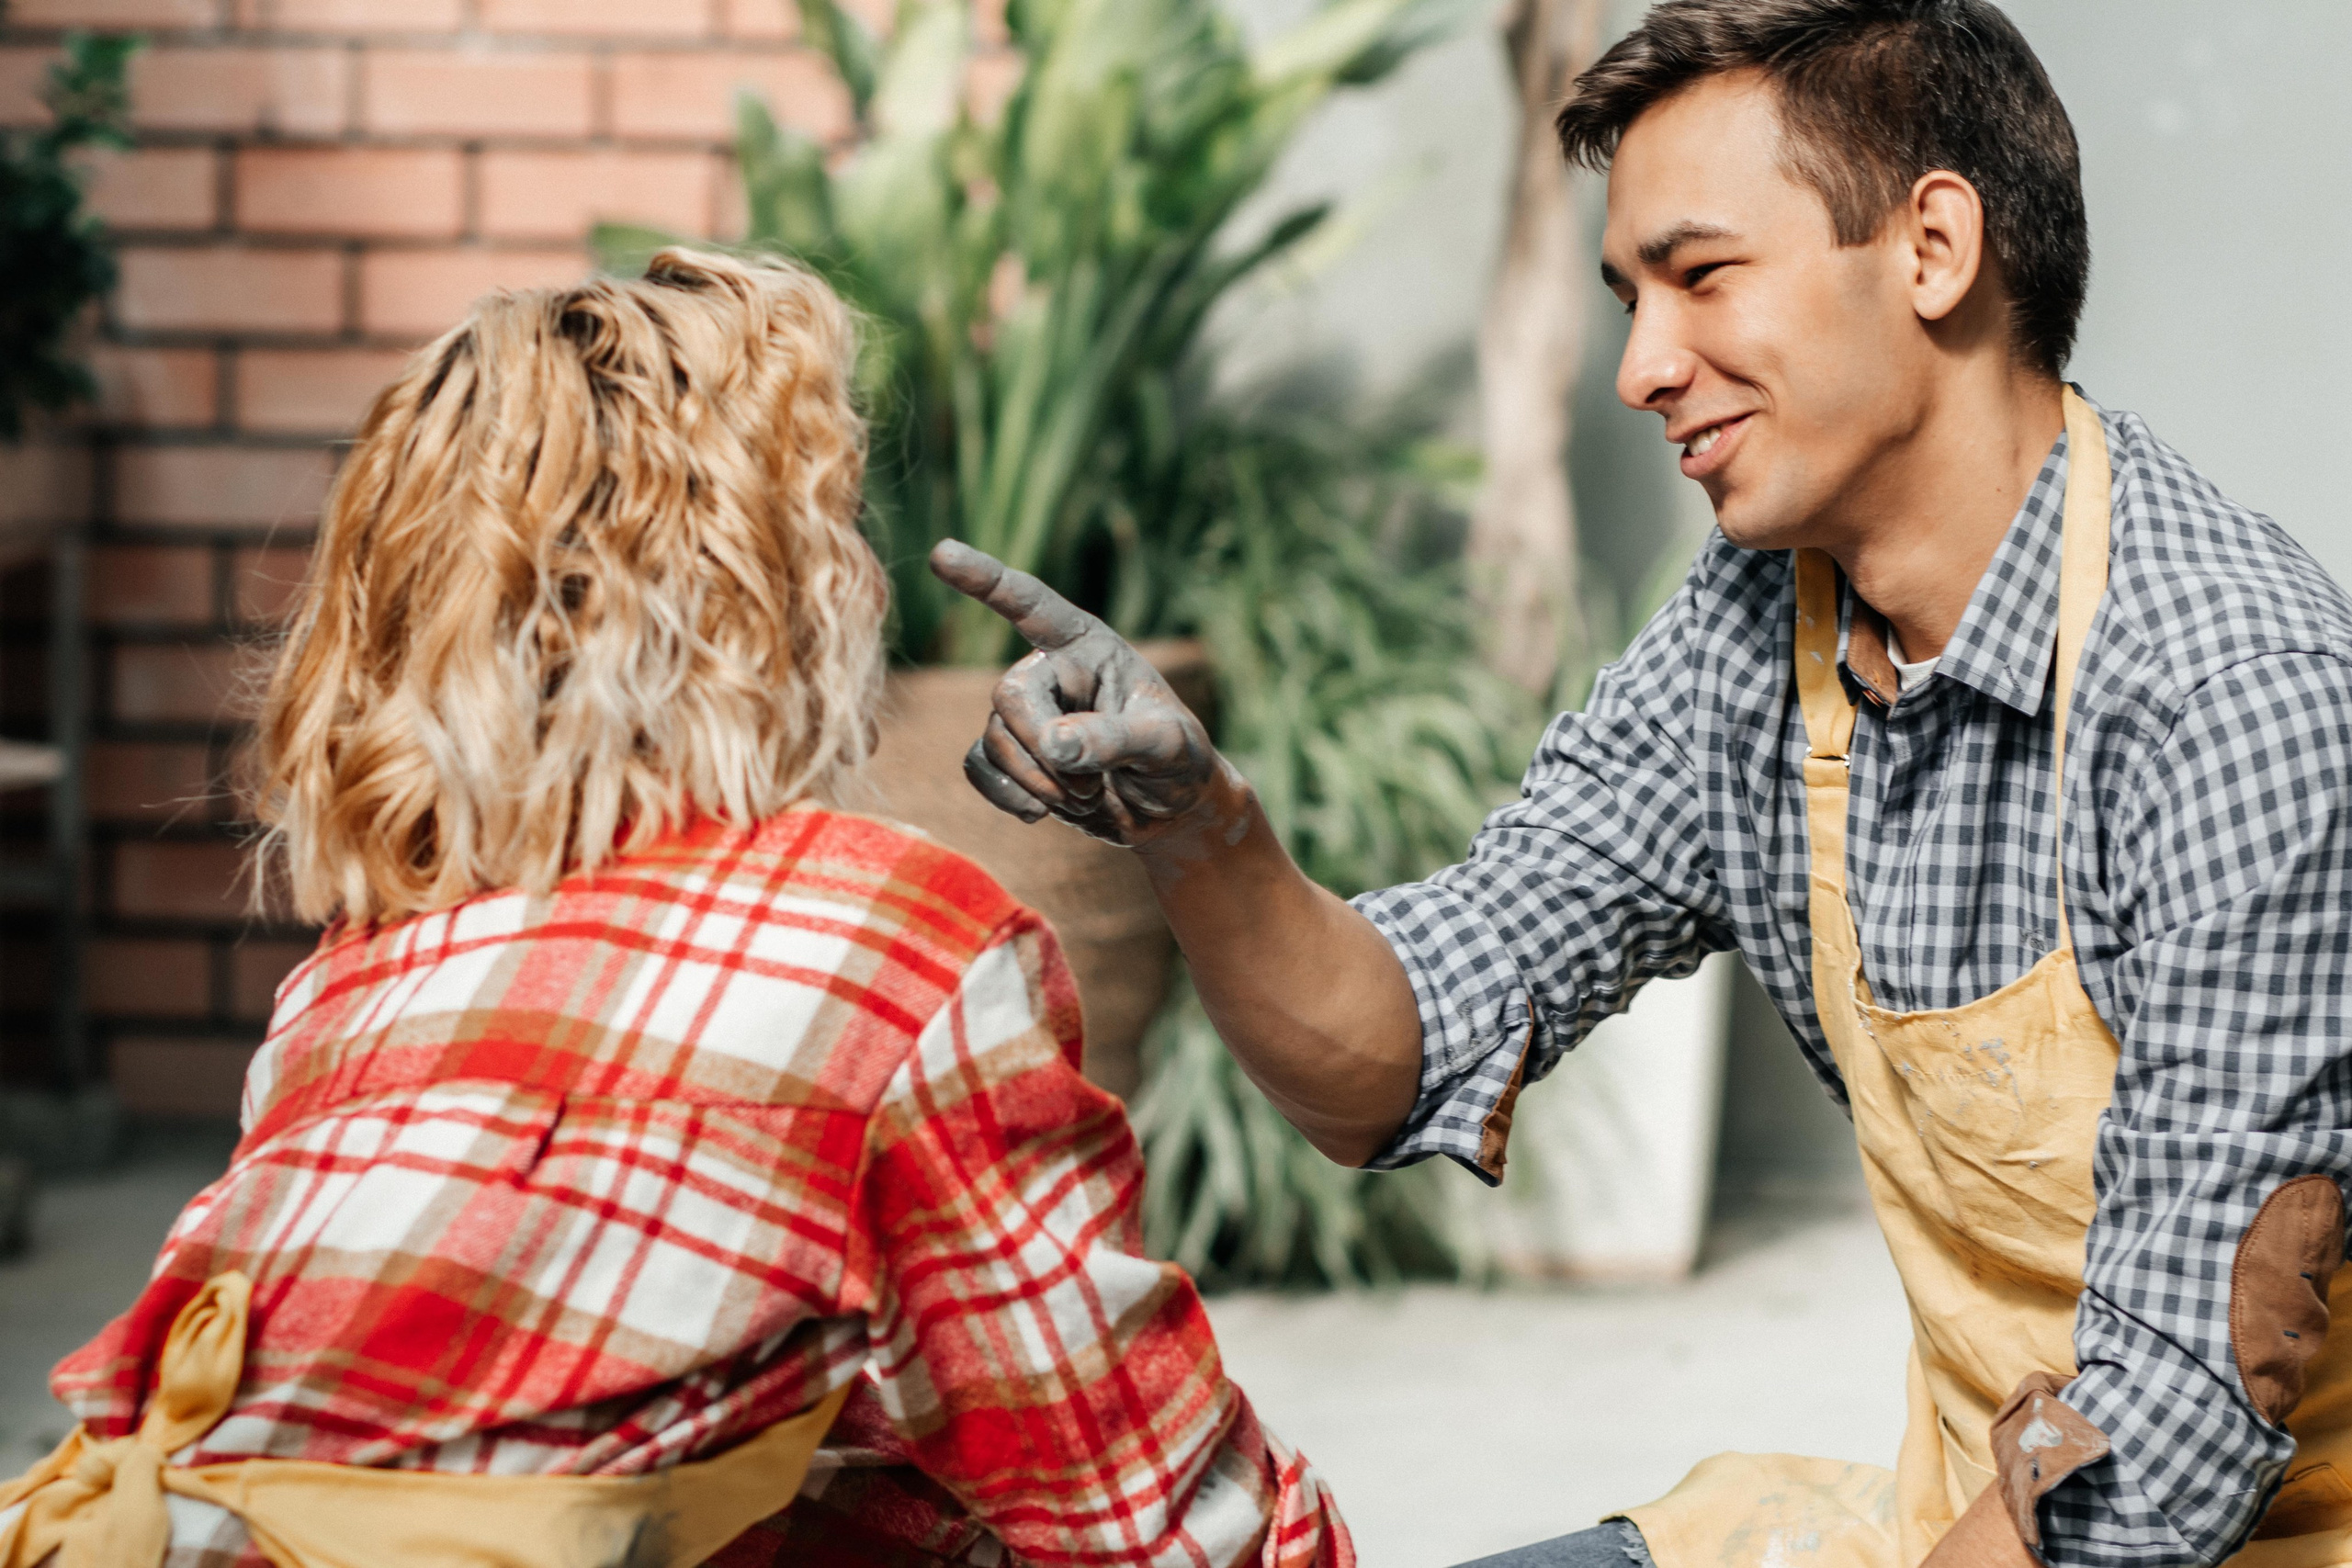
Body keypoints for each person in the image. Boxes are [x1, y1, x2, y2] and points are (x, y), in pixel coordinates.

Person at [925, 2, 2352, 1566]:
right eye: (1627, 297)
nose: (1641, 368)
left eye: (1701, 275)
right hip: (1957, 1525)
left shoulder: (2235, 698)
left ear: (1935, 249)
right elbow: (1389, 1060)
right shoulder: (1753, 633)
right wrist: (1197, 828)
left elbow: (2179, 1423)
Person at [0, 249, 1351, 1568]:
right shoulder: (894, 947)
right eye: (837, 531)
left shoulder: (354, 983)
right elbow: (1150, 1521)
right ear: (781, 600)